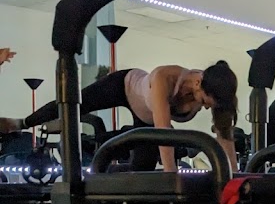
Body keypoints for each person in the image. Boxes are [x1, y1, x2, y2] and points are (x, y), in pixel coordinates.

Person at [0, 61, 238, 171]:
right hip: (124, 85)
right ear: (197, 83)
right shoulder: (164, 78)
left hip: (146, 118)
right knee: (75, 103)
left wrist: (236, 176)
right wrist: (172, 177)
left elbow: (224, 136)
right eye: (204, 102)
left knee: (142, 170)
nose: (204, 108)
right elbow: (163, 133)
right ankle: (22, 122)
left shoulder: (216, 90)